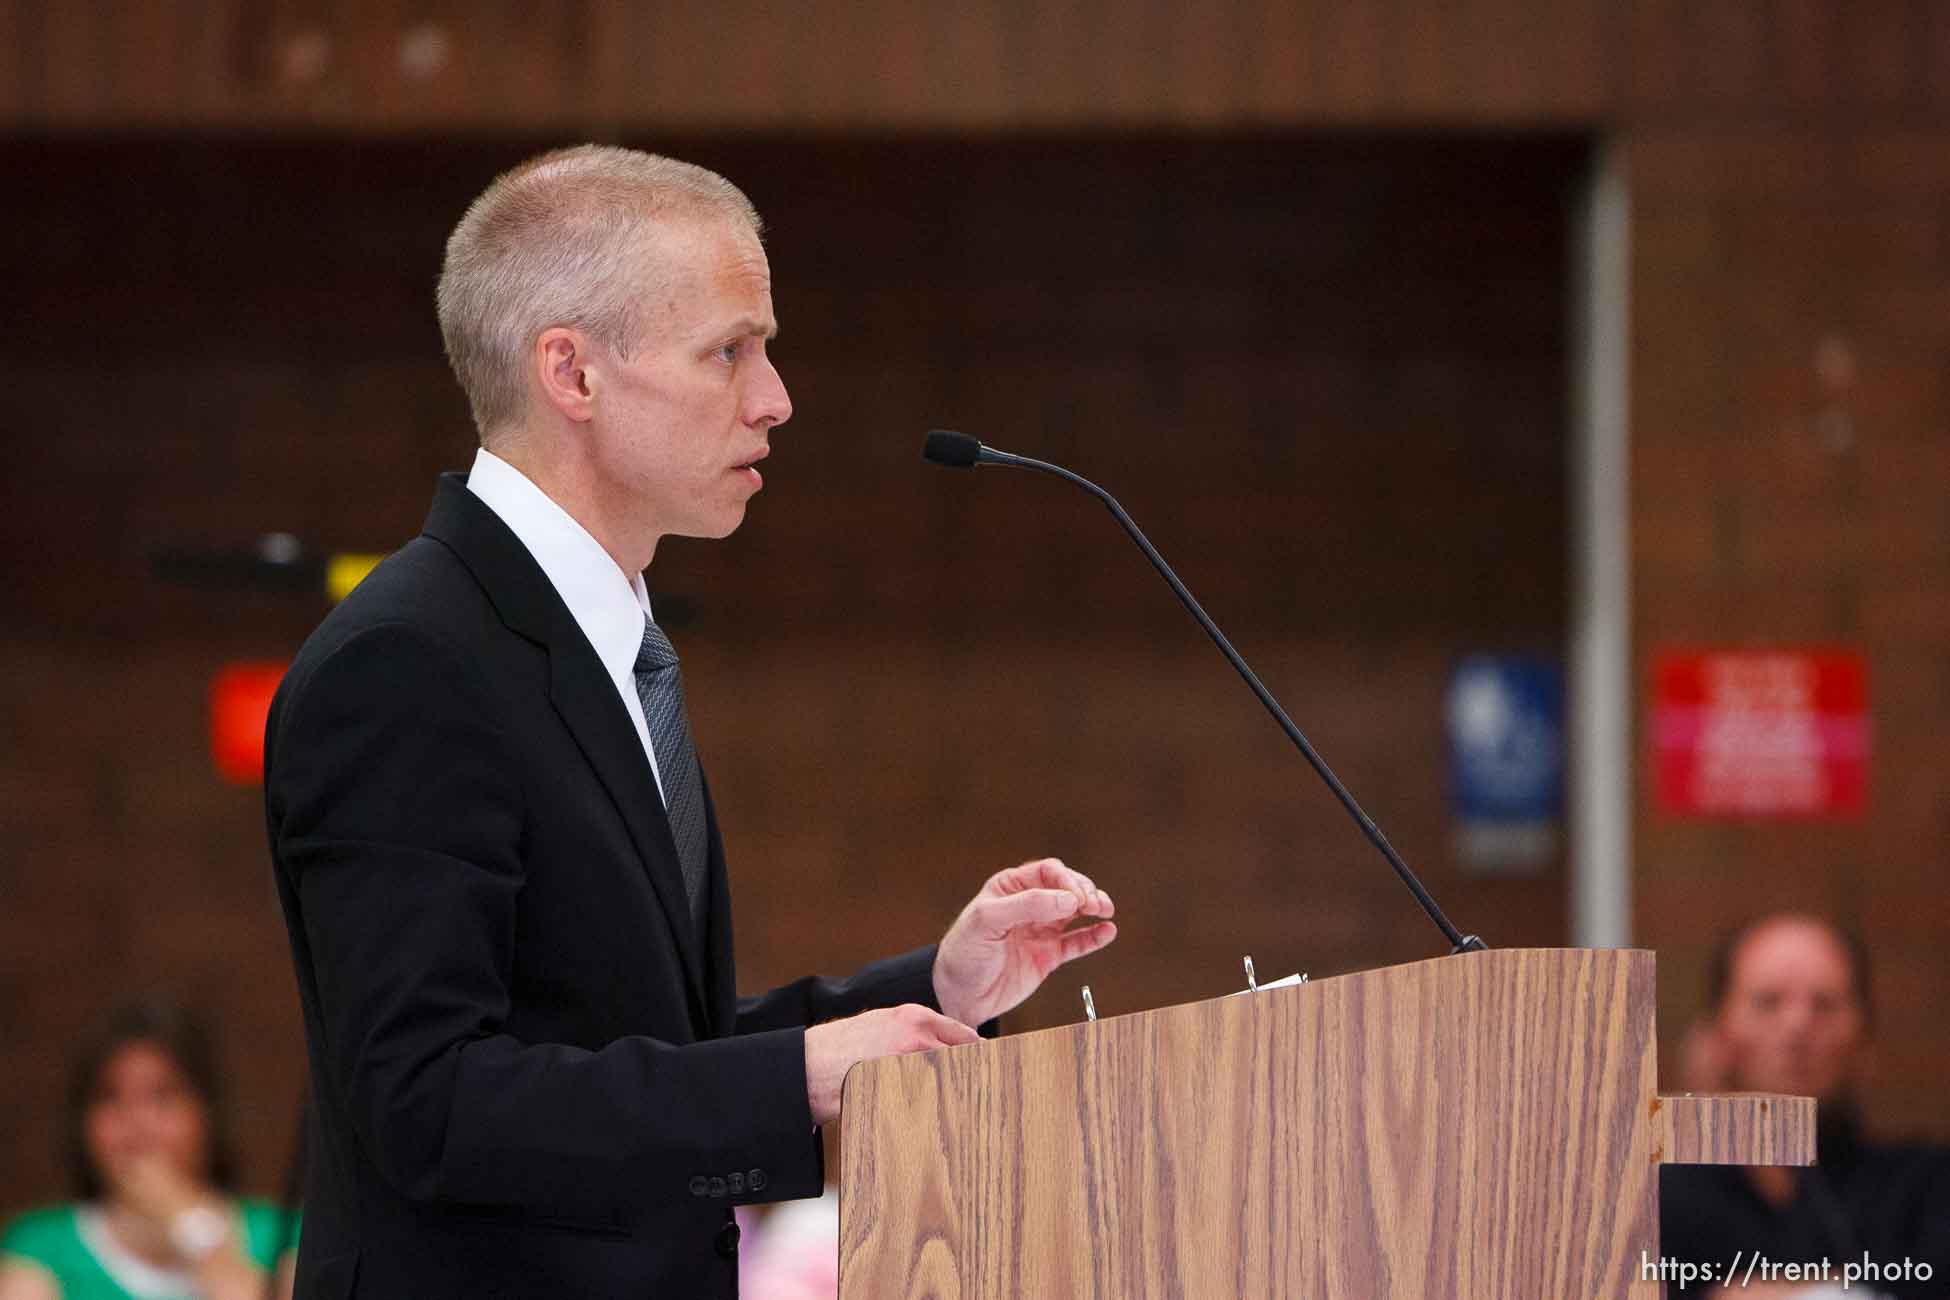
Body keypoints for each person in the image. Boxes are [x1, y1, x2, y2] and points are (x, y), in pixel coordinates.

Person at [262, 144, 1118, 1298]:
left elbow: (642, 1037)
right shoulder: (409, 660)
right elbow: (429, 1102)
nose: (776, 397)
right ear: (571, 372)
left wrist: (931, 994)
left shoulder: (603, 641)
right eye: (730, 350)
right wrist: (797, 1076)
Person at [1659, 913, 1950, 1299]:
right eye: (1767, 1003)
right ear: (1715, 1036)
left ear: (1865, 1042)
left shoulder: (1925, 1191)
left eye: (1825, 1004)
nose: (1797, 1026)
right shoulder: (1655, 1204)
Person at [0, 999, 298, 1300]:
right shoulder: (40, 1247)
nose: (137, 1123)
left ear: (206, 1113)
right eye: (110, 1099)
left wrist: (190, 1223)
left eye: (163, 1097)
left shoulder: (283, 1235)